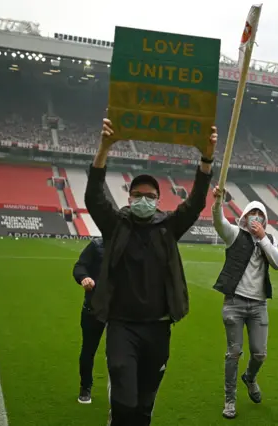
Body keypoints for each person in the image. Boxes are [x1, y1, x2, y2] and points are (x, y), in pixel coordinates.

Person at [85, 118, 217, 426]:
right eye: (137, 195)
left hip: (158, 329)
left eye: (150, 195)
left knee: (144, 405)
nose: (143, 200)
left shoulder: (168, 227)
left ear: (158, 200)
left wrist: (207, 158)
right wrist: (103, 149)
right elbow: (93, 196)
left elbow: (196, 201)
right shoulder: (116, 224)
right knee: (124, 401)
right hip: (122, 327)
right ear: (129, 198)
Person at [211, 185, 278, 419]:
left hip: (258, 306)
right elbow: (218, 221)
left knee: (259, 354)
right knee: (233, 353)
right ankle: (230, 400)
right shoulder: (234, 234)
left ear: (264, 220)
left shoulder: (269, 239)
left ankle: (250, 377)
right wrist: (217, 202)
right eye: (252, 214)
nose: (256, 218)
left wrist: (263, 238)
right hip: (234, 302)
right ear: (244, 216)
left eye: (260, 216)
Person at [72, 237, 105, 404]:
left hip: (119, 311)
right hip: (94, 309)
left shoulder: (130, 245)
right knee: (88, 350)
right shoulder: (97, 245)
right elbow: (80, 266)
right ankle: (85, 387)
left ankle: (120, 392)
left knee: (121, 354)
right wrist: (84, 277)